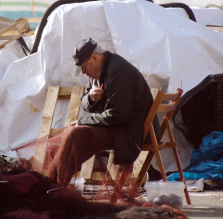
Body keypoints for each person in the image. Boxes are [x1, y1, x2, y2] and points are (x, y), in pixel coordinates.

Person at [46, 38, 157, 185]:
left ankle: (55, 185)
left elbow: (117, 116)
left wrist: (81, 122)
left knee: (76, 134)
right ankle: (52, 183)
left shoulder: (119, 71)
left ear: (95, 57)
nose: (84, 73)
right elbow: (84, 103)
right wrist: (91, 98)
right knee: (65, 139)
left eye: (84, 68)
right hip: (119, 127)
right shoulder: (98, 72)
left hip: (130, 131)